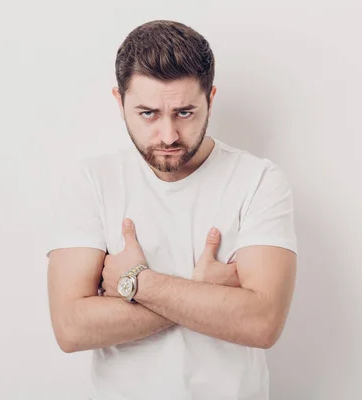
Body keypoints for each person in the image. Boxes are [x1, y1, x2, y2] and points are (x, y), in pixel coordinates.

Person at [46, 20, 298, 400]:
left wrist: (136, 284)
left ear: (210, 98)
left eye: (185, 113)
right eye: (147, 113)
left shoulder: (258, 180)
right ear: (120, 102)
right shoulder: (92, 182)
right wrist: (207, 297)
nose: (167, 136)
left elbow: (262, 323)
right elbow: (71, 328)